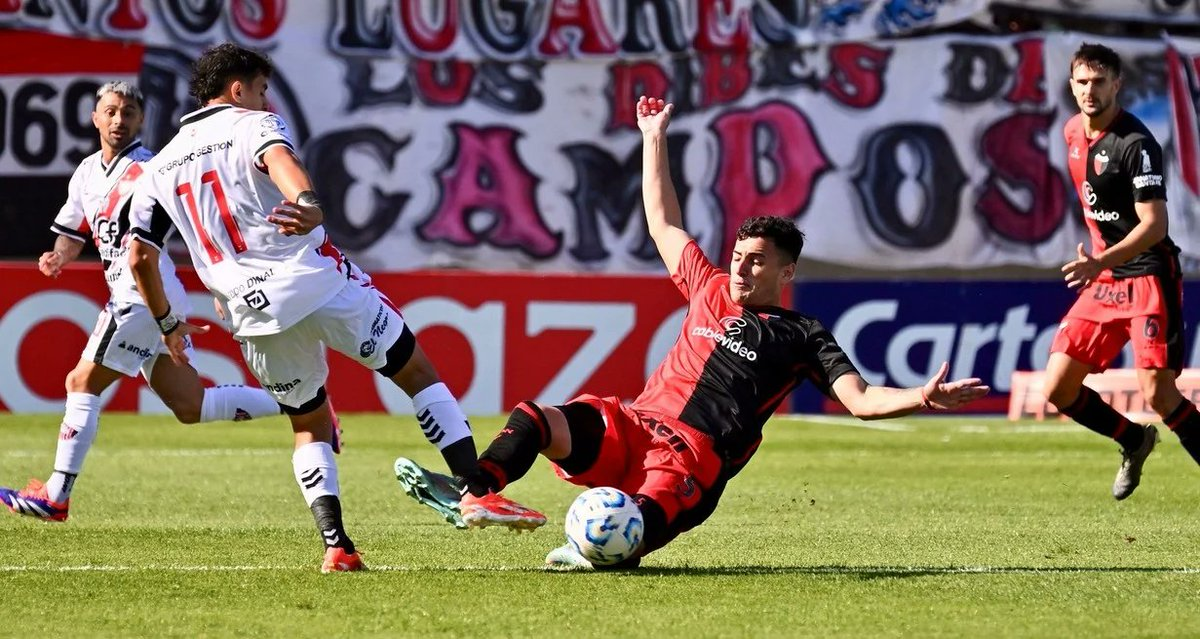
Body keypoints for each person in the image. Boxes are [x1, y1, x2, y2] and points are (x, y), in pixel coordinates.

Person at [394, 95, 990, 570]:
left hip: (689, 462)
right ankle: (476, 491)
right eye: (738, 253)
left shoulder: (802, 335)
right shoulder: (706, 284)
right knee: (537, 418)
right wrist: (654, 141)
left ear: (787, 271)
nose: (741, 265)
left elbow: (860, 400)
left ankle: (597, 551)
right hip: (633, 425)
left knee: (621, 538)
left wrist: (918, 397)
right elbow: (663, 222)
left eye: (758, 259)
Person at [124, 43, 543, 573]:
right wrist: (305, 204)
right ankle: (476, 489)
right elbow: (282, 163)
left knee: (309, 423)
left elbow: (140, 256)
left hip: (249, 313)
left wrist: (166, 323)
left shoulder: (158, 169)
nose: (263, 98)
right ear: (237, 89)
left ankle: (337, 547)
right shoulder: (254, 125)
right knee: (415, 372)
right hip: (312, 280)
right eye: (259, 88)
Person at [0, 82, 288, 523]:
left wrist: (218, 285)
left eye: (129, 112)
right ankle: (303, 406)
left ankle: (56, 495)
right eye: (111, 112)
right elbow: (73, 231)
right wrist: (59, 255)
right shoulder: (85, 173)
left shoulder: (153, 169)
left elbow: (194, 226)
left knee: (81, 383)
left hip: (141, 293)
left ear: (140, 119)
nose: (120, 121)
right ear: (96, 118)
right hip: (149, 297)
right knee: (191, 406)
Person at [1044, 42, 1199, 500]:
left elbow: (1155, 225)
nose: (1090, 91)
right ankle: (1134, 440)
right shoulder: (1073, 132)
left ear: (1117, 84)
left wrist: (1099, 262)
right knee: (1058, 387)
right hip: (1106, 279)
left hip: (1148, 274)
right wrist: (1101, 262)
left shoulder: (1137, 146)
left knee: (1159, 395)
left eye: (1099, 82)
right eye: (1082, 82)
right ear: (1072, 85)